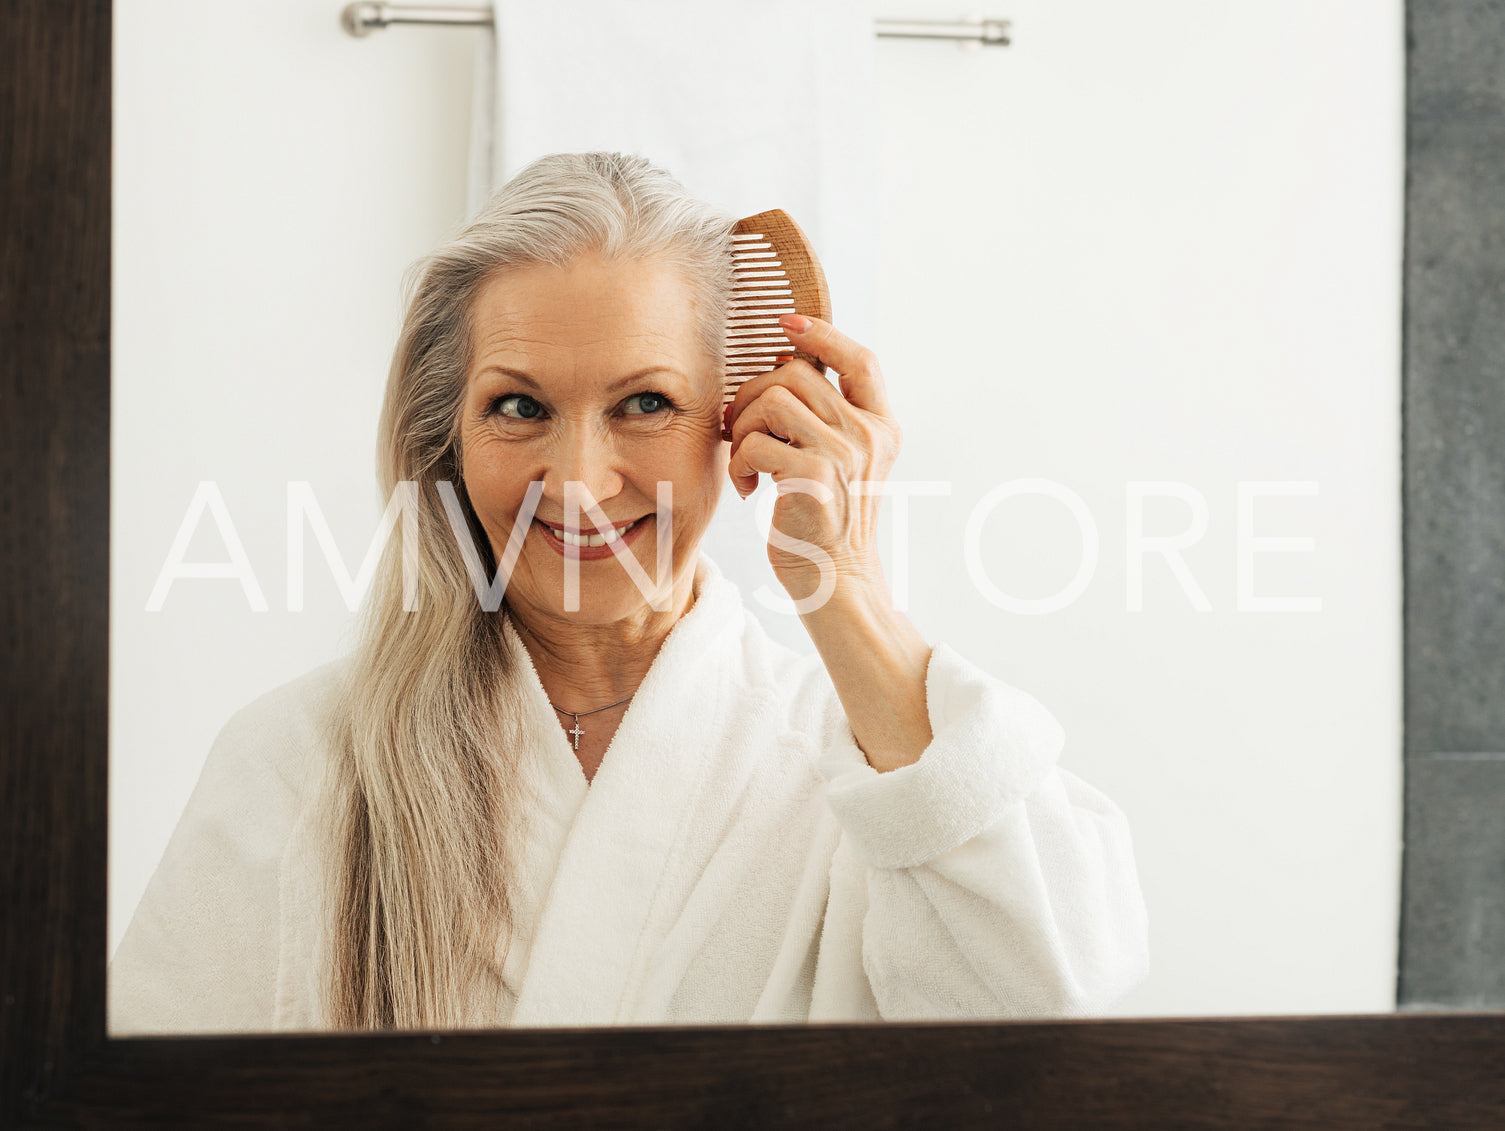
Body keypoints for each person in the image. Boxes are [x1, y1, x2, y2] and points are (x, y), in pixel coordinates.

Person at [108, 151, 1149, 1034]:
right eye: (517, 407)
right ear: (448, 444)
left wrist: (845, 584)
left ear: (745, 422)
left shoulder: (863, 770)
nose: (576, 480)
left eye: (645, 402)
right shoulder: (299, 759)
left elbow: (1050, 1012)